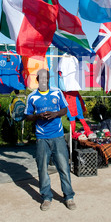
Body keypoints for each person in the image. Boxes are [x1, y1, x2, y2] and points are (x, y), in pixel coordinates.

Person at [24, 69, 76, 211]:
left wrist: (55, 114)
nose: (44, 81)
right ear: (37, 80)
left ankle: (69, 197)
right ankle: (46, 197)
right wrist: (38, 116)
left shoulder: (57, 92)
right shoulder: (32, 97)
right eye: (41, 79)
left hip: (58, 136)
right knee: (42, 169)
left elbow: (65, 109)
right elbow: (27, 116)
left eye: (46, 78)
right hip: (42, 138)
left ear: (48, 80)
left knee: (64, 167)